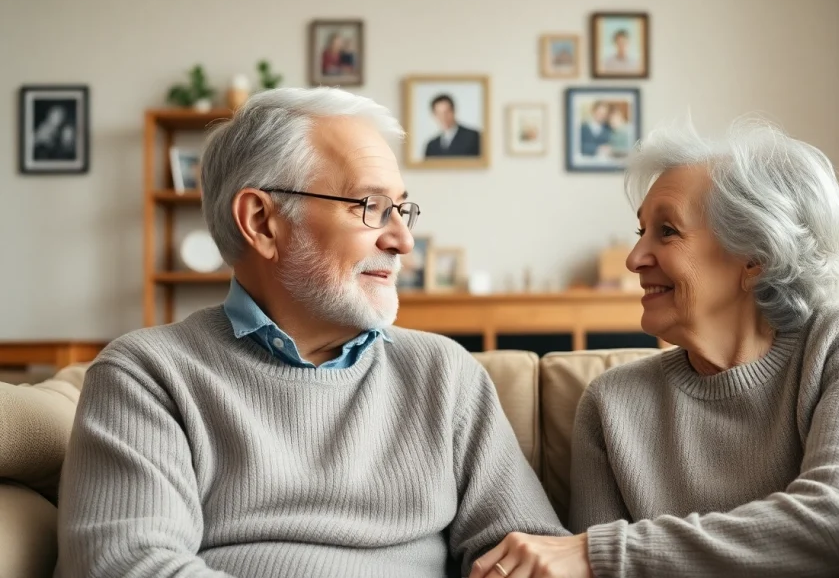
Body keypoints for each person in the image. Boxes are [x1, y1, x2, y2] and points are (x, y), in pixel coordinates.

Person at [55, 87, 567, 578]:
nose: (404, 239)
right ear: (261, 222)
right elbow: (124, 564)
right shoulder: (147, 374)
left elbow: (531, 553)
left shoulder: (445, 372)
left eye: (401, 208)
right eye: (370, 207)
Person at [470, 119, 839, 578]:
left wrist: (600, 553)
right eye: (640, 232)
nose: (634, 260)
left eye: (666, 231)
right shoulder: (611, 404)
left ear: (755, 257)